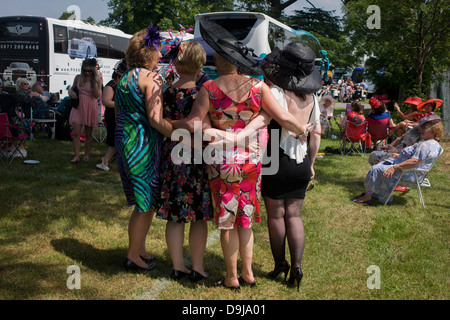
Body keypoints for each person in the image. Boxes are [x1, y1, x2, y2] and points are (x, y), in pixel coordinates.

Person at [171, 20, 313, 290]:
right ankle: (248, 273)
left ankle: (231, 277)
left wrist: (218, 133)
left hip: (220, 163)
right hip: (250, 161)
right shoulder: (259, 87)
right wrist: (301, 129)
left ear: (219, 61)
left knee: (227, 223)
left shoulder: (209, 89)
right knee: (245, 218)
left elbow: (193, 124)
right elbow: (281, 117)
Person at [260, 42, 322, 291]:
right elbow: (316, 134)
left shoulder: (273, 93)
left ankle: (279, 265)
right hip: (301, 163)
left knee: (276, 215)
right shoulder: (313, 98)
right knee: (294, 215)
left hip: (274, 159)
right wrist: (311, 164)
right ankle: (297, 266)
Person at [115, 24, 173, 271]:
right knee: (144, 203)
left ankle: (140, 249)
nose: (161, 56)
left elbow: (119, 113)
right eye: (158, 51)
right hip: (142, 145)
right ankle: (132, 256)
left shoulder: (124, 79)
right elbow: (155, 119)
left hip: (124, 141)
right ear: (148, 54)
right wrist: (181, 133)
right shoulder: (152, 77)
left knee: (145, 200)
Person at [156, 41, 212, 281]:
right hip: (196, 157)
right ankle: (197, 267)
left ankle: (178, 265)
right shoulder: (202, 92)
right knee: (199, 215)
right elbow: (200, 126)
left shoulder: (166, 91)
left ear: (176, 63)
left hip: (172, 156)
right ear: (199, 63)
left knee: (175, 215)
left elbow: (159, 121)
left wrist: (172, 125)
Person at [354, 115, 444, 205]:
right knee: (381, 163)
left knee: (375, 169)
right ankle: (374, 192)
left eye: (424, 128)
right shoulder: (435, 145)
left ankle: (368, 197)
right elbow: (417, 160)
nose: (421, 130)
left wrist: (394, 167)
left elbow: (414, 161)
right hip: (412, 172)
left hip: (408, 174)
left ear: (434, 131)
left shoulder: (425, 145)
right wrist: (398, 155)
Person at [68, 58, 103, 163]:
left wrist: (96, 83)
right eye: (85, 70)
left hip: (90, 106)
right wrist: (71, 92)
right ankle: (76, 156)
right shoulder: (78, 78)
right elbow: (72, 88)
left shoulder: (97, 79)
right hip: (78, 106)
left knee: (88, 133)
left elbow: (97, 95)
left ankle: (86, 155)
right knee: (76, 133)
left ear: (93, 70)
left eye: (89, 71)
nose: (87, 73)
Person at [96, 59, 128, 171]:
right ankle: (105, 160)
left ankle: (107, 159)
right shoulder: (111, 86)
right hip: (111, 115)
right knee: (115, 140)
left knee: (117, 140)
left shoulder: (120, 86)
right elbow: (106, 101)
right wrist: (122, 104)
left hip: (118, 114)